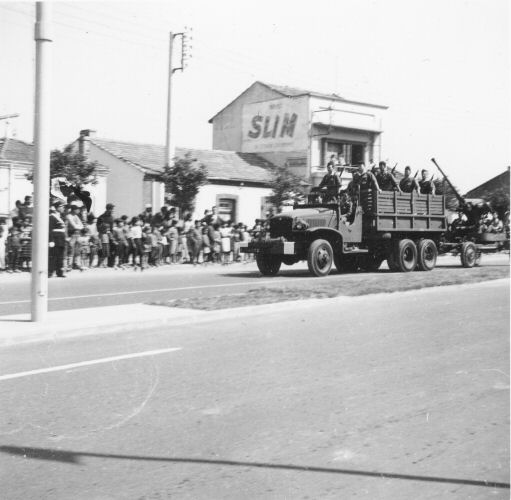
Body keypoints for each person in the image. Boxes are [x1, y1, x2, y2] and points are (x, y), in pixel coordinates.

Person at [48, 201, 67, 278]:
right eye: (61, 207)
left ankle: (60, 272)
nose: (63, 208)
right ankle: (50, 271)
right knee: (53, 256)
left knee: (60, 256)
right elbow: (50, 229)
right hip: (55, 239)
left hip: (61, 239)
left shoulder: (61, 216)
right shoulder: (51, 217)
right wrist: (51, 240)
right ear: (57, 207)